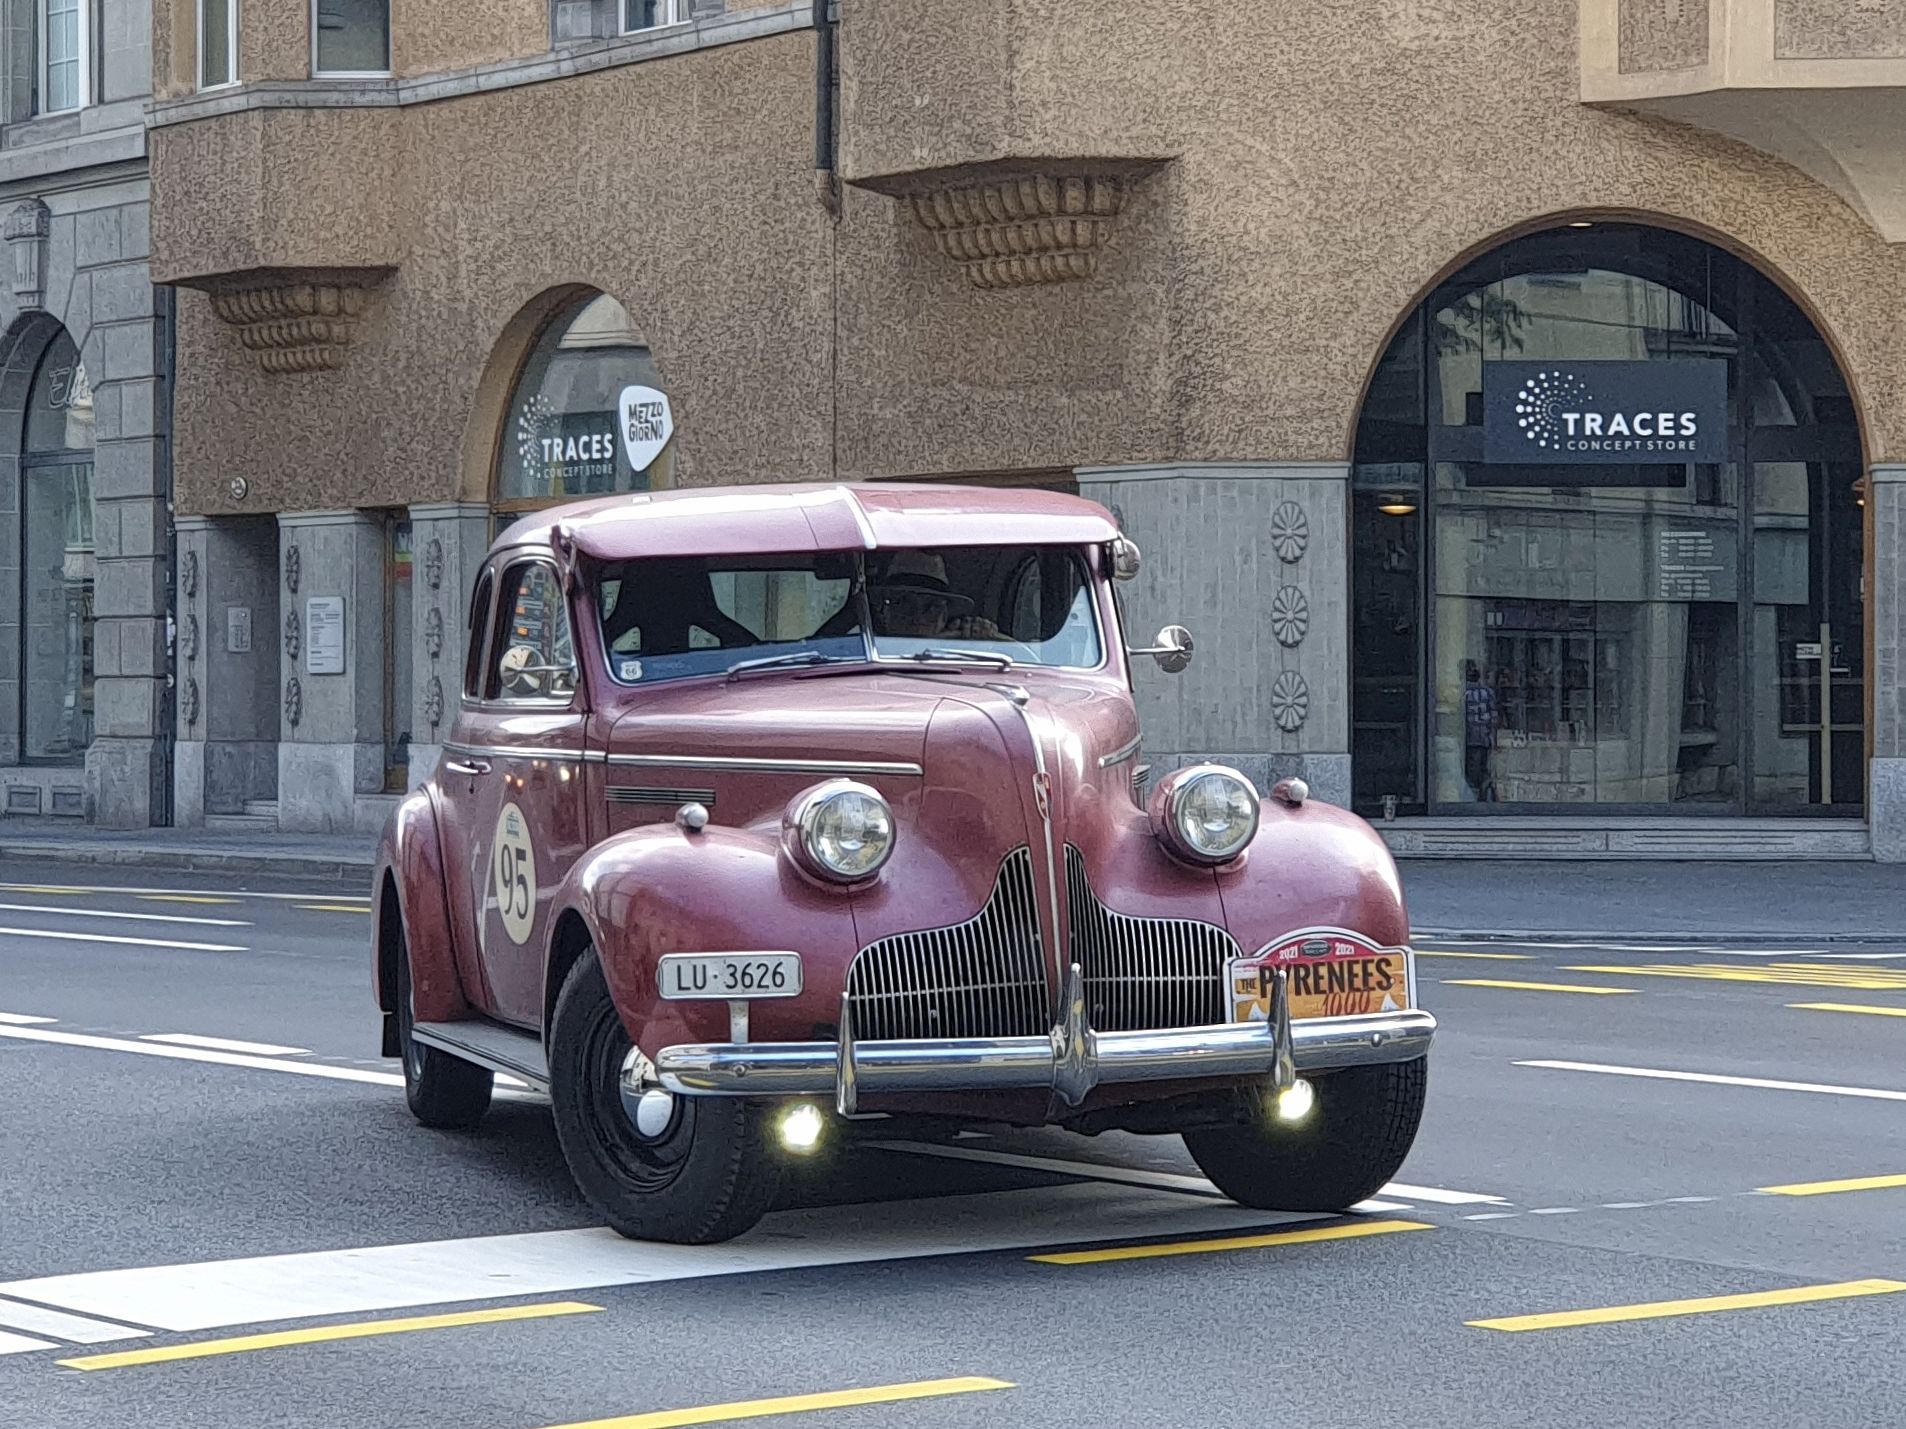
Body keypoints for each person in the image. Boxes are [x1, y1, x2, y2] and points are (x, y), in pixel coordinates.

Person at [867, 551, 1001, 640]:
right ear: (884, 612)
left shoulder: (958, 659)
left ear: (944, 617)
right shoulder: (863, 653)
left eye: (931, 608)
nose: (917, 617)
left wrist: (985, 641)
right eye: (903, 603)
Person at [1462, 659, 1498, 801]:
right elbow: (1493, 717)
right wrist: (1493, 738)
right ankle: (1485, 794)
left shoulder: (1464, 692)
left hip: (1470, 737)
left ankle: (1477, 795)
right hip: (1484, 737)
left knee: (1472, 770)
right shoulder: (1487, 692)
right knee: (1482, 768)